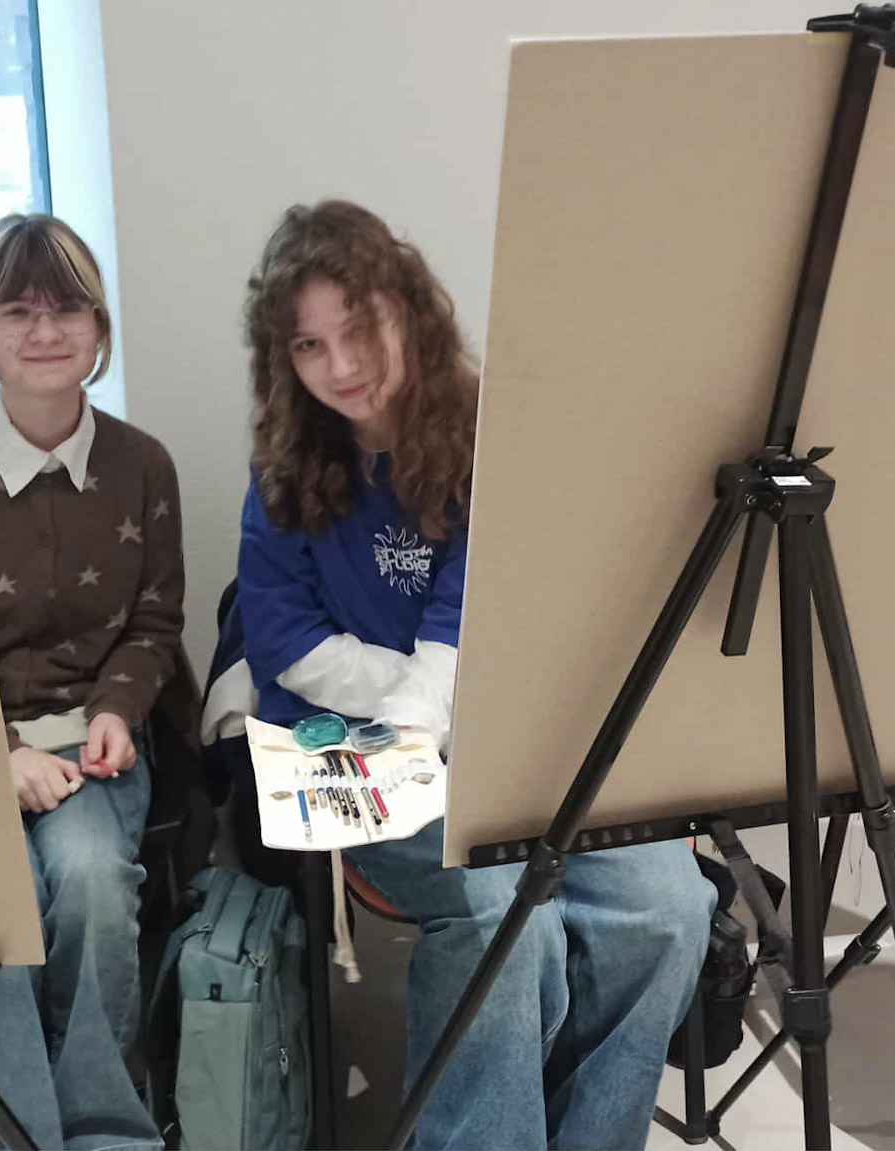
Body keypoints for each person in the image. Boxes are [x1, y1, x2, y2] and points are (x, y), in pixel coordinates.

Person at [236, 200, 715, 1150]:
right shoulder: (284, 460)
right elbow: (282, 639)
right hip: (340, 748)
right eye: (308, 344)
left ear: (407, 308)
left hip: (512, 731)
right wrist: (420, 706)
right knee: (504, 914)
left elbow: (474, 622)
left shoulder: (493, 436)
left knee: (670, 907)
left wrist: (447, 702)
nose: (341, 365)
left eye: (358, 327)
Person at [0, 213, 183, 1151]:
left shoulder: (142, 465)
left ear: (99, 326)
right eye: (18, 311)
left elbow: (154, 622)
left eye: (68, 309)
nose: (45, 331)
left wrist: (118, 709)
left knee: (89, 881)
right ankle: (12, 1132)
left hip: (92, 740)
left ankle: (103, 1125)